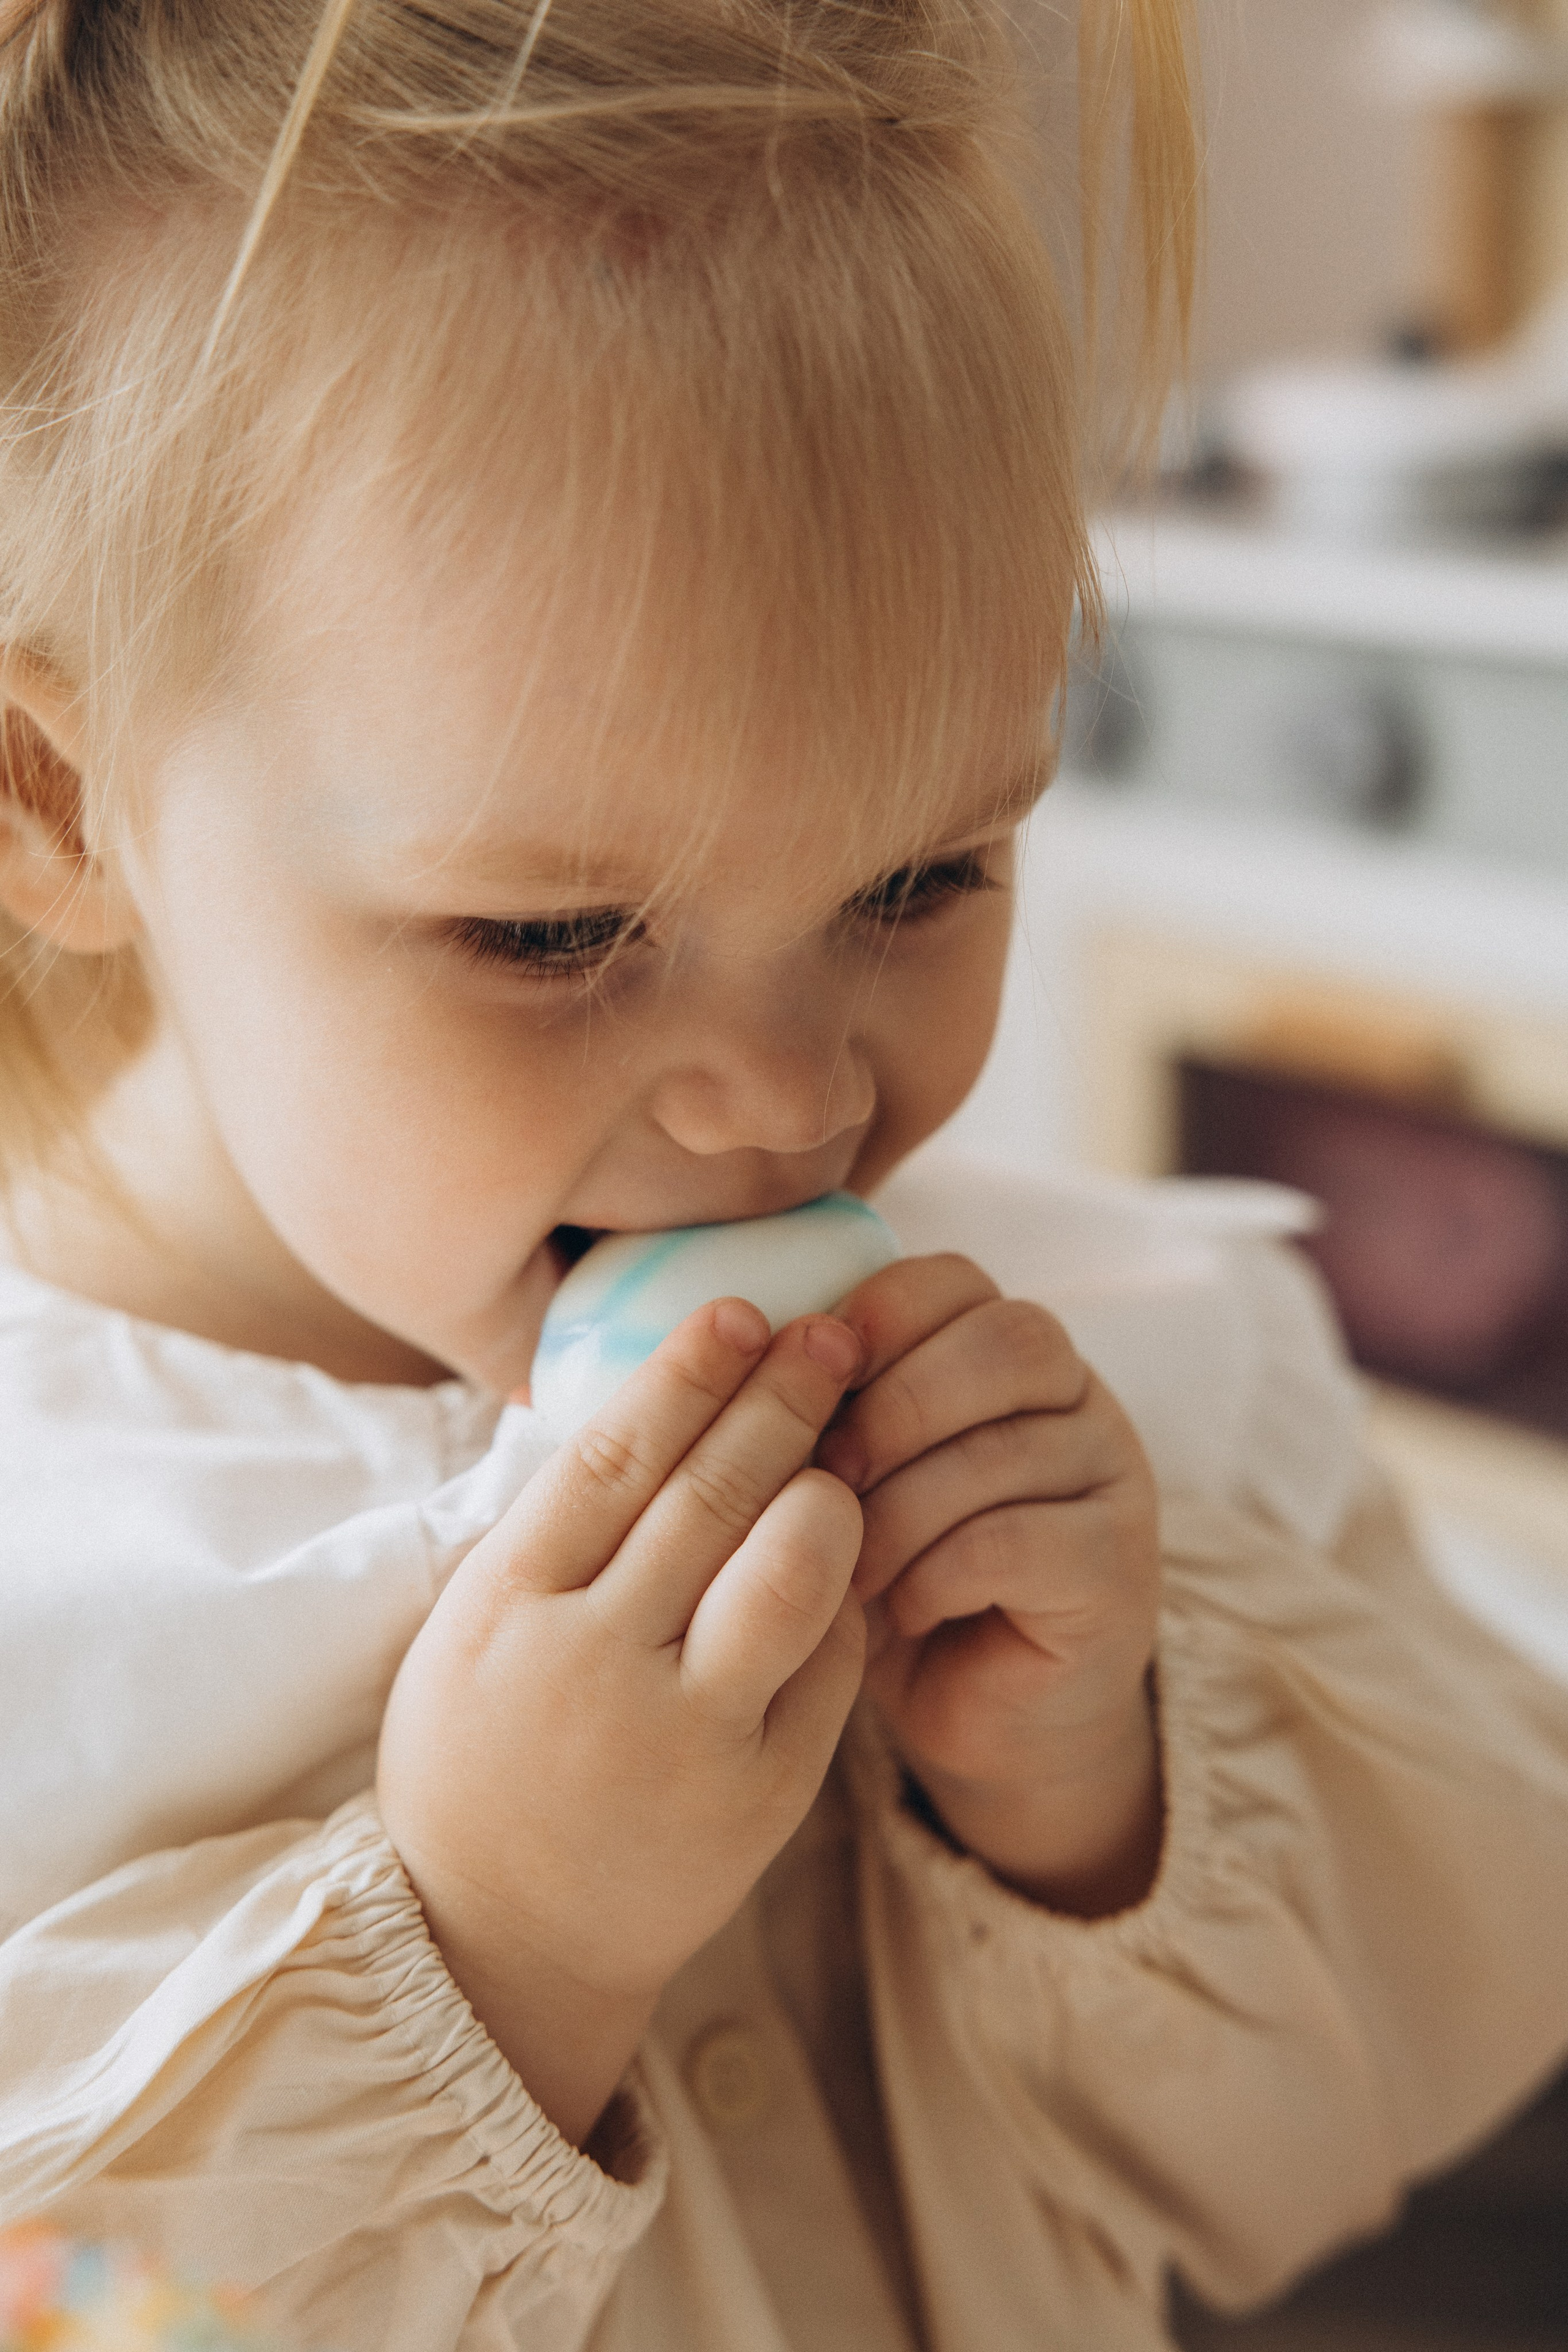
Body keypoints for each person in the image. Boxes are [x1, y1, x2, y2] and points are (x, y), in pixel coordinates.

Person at [0, 2, 1565, 2346]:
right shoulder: (61, 1601)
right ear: (60, 801)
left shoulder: (1119, 1380)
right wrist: (496, 1959)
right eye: (554, 936)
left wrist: (1092, 1805)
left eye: (924, 876)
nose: (786, 1100)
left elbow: (1396, 2090)